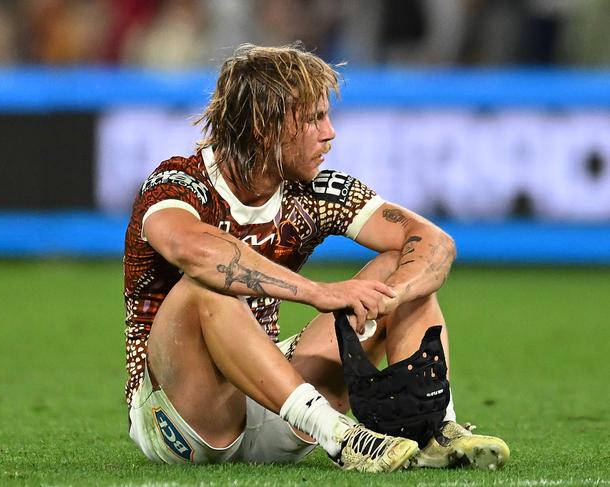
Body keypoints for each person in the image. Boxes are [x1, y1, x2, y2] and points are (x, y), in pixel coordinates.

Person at [123, 42, 509, 472]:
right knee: (204, 288)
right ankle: (340, 436)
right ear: (263, 126)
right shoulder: (179, 183)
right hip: (187, 418)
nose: (330, 133)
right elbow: (192, 249)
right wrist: (316, 293)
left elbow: (434, 242)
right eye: (314, 118)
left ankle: (434, 430)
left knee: (397, 266)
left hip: (276, 402)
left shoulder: (315, 190)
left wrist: (394, 296)